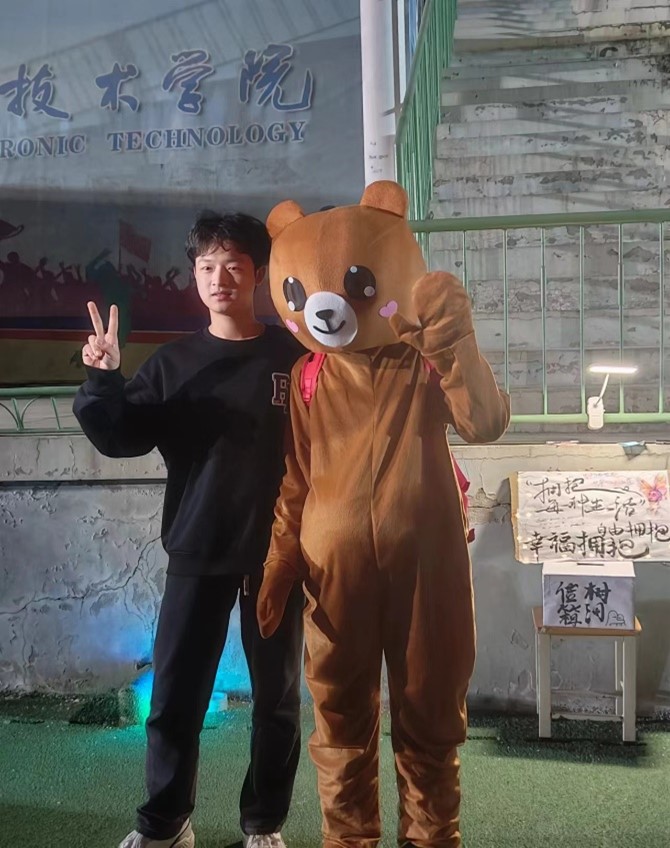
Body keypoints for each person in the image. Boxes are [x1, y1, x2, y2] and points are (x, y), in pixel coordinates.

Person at [73, 212, 304, 848]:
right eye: (206, 267)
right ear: (194, 276)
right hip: (198, 547)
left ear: (258, 274)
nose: (219, 278)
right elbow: (121, 436)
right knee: (175, 697)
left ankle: (264, 823)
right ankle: (166, 823)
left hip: (278, 556)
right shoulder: (173, 364)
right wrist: (104, 378)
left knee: (278, 701)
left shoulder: (294, 358)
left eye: (233, 266)